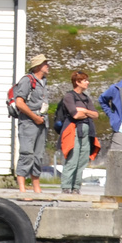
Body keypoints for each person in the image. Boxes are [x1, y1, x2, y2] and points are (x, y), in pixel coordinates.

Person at [12, 55, 51, 193]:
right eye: (45, 63)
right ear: (38, 65)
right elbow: (19, 103)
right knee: (26, 153)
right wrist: (34, 117)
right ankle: (22, 189)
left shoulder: (43, 82)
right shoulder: (27, 81)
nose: (48, 65)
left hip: (41, 122)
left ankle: (36, 187)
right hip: (29, 122)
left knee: (38, 155)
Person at [58, 70, 100, 194]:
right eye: (85, 80)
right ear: (77, 82)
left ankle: (76, 187)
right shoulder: (69, 96)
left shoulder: (86, 98)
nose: (88, 82)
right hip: (73, 130)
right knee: (72, 158)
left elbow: (96, 114)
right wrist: (86, 113)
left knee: (82, 159)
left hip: (87, 131)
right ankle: (66, 186)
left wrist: (84, 111)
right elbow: (75, 115)